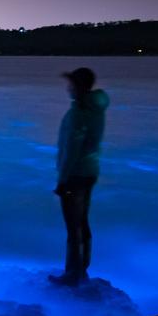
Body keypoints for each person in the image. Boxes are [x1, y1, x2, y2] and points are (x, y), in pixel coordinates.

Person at [49, 67, 108, 286]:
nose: (67, 89)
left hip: (75, 174)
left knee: (73, 226)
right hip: (90, 170)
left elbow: (73, 149)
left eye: (71, 84)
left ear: (78, 87)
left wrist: (62, 180)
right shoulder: (95, 109)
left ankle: (73, 274)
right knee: (81, 222)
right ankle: (81, 269)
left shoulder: (79, 113)